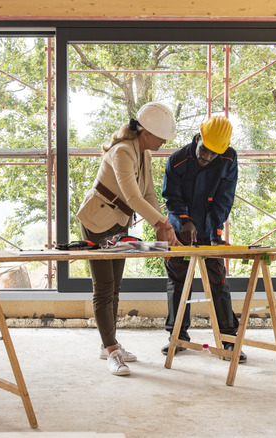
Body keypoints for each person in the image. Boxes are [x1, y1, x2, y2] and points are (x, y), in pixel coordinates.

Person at [77, 102, 182, 376]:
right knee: (103, 288)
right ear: (146, 132)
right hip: (96, 223)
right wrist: (162, 224)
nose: (164, 142)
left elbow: (147, 196)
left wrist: (164, 227)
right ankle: (111, 352)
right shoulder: (123, 152)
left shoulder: (143, 153)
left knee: (114, 288)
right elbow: (133, 197)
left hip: (117, 225)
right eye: (161, 137)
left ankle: (108, 345)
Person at [160, 115, 246, 363]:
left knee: (218, 282)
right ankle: (177, 337)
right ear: (198, 137)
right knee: (178, 283)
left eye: (213, 154)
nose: (207, 157)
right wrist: (185, 221)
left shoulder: (228, 158)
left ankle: (229, 341)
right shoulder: (177, 161)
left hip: (210, 228)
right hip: (179, 230)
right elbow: (171, 197)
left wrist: (215, 231)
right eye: (204, 150)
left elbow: (225, 198)